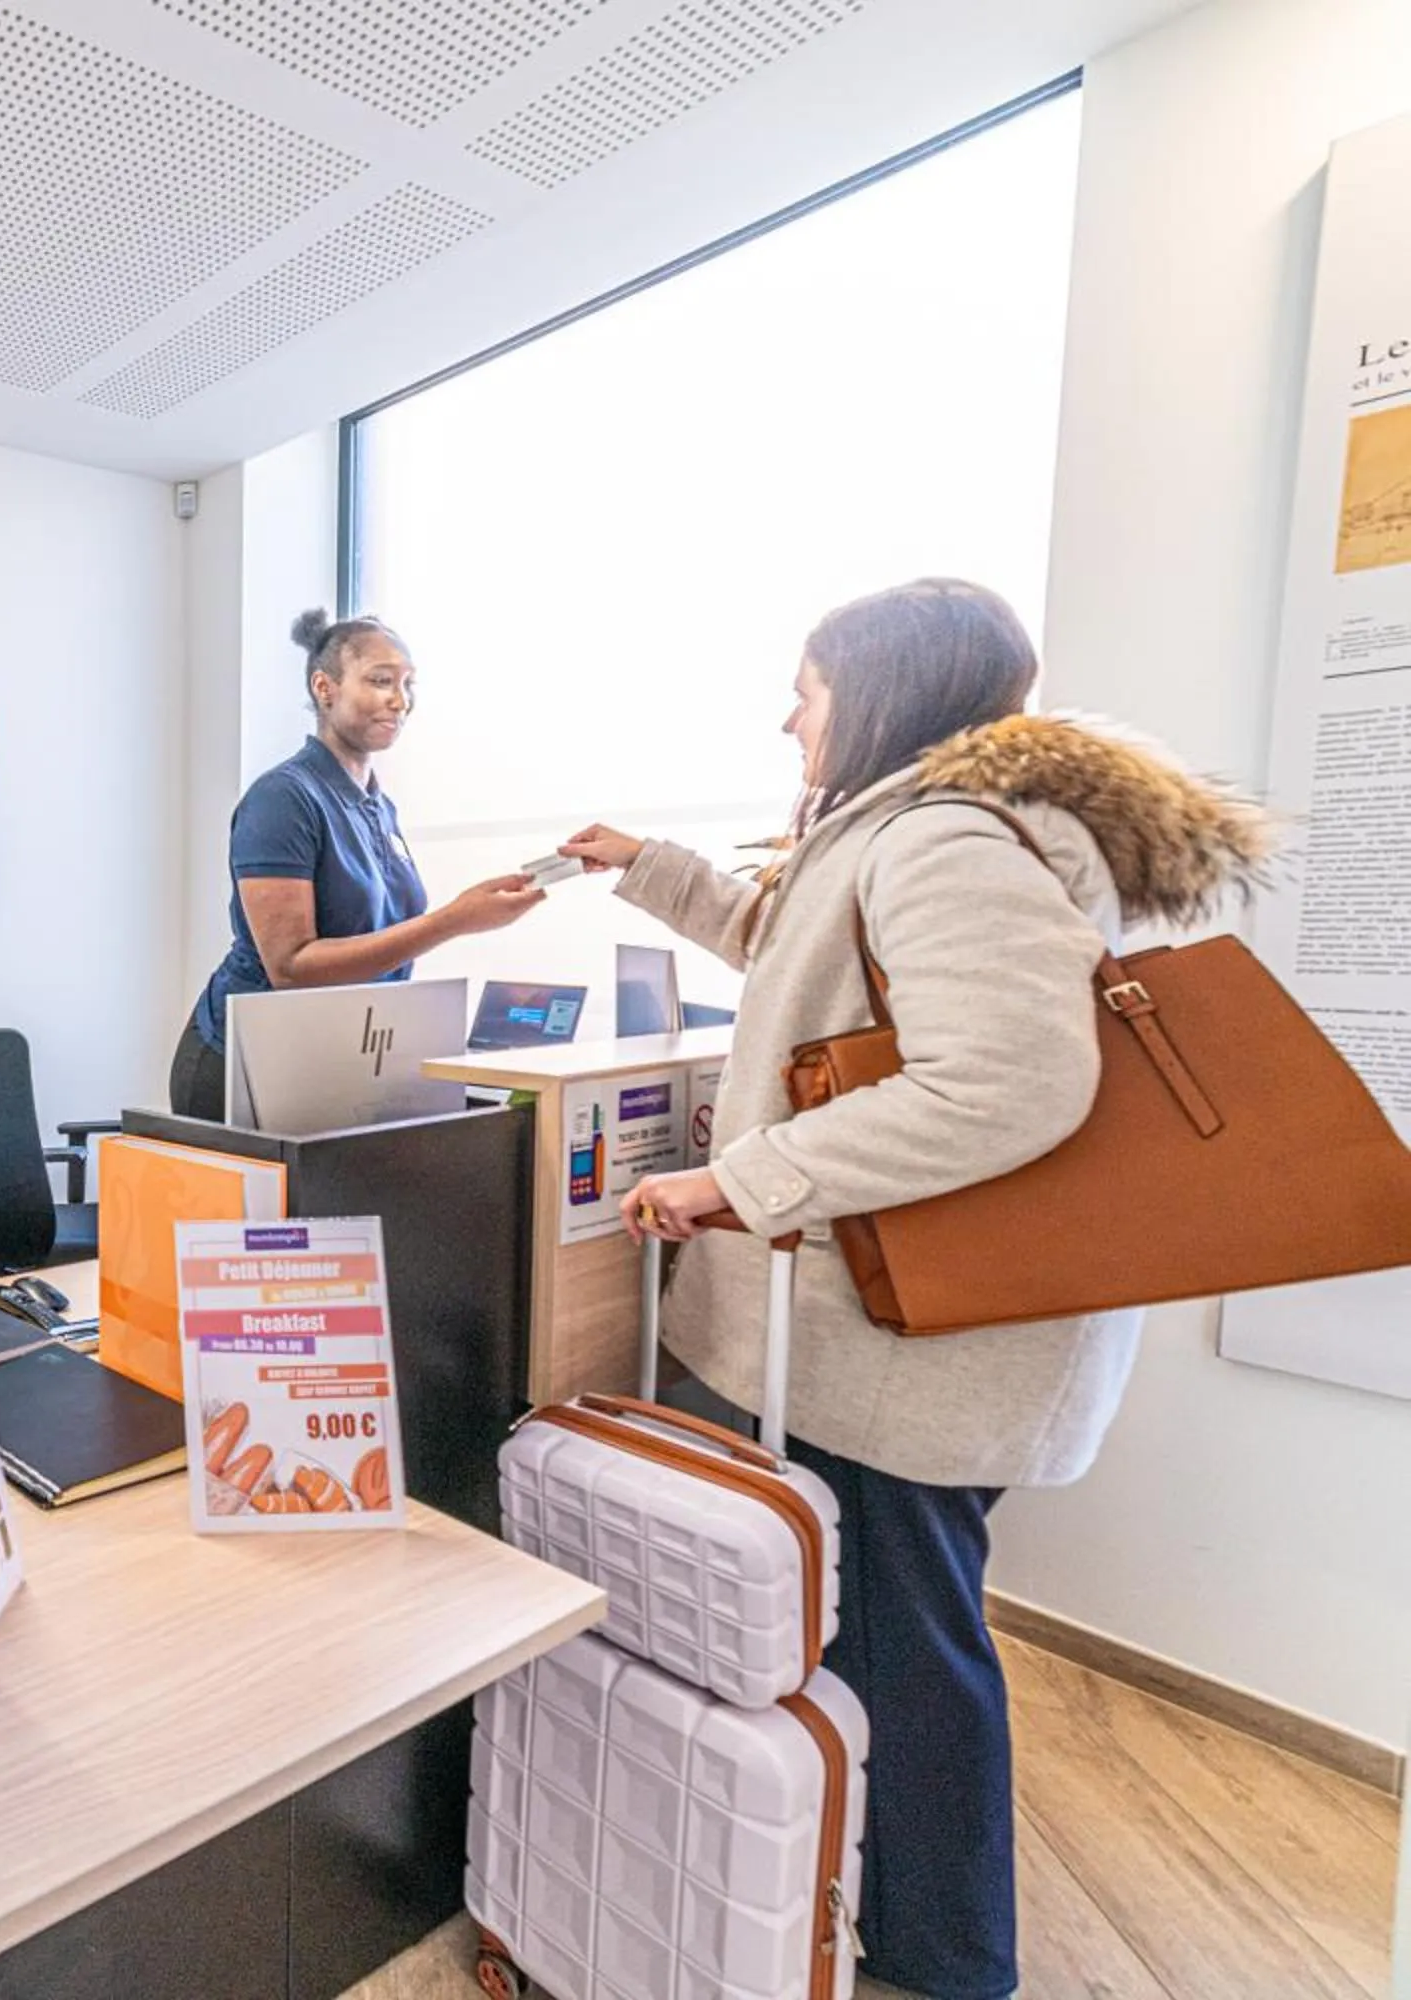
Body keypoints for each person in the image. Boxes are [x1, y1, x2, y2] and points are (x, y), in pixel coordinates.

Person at [558, 578, 1264, 2000]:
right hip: (923, 1332)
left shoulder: (943, 840)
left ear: (883, 695)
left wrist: (739, 1180)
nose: (788, 717)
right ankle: (890, 1901)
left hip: (908, 1344)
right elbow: (802, 954)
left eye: (807, 692)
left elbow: (1008, 1079)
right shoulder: (917, 834)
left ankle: (949, 1958)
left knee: (906, 1647)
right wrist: (651, 862)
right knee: (900, 1625)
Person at [170, 609, 545, 1120]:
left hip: (334, 1056)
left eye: (408, 684)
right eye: (380, 681)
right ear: (324, 688)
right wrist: (452, 921)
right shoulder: (284, 797)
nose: (400, 699)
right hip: (243, 1064)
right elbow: (291, 968)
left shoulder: (376, 805)